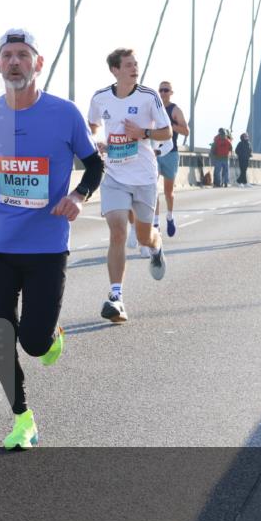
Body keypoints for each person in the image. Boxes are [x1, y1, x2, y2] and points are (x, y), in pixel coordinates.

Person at [0, 28, 104, 450]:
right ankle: (22, 419)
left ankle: (50, 336)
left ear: (38, 63)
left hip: (47, 250)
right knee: (0, 339)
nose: (15, 62)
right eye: (7, 55)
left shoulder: (64, 114)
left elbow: (94, 165)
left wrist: (78, 196)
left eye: (23, 55)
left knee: (33, 342)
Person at [88, 48, 172, 323]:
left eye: (136, 65)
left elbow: (167, 132)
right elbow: (92, 126)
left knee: (145, 238)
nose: (135, 69)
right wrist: (97, 141)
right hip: (114, 176)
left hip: (144, 177)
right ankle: (116, 297)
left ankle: (157, 247)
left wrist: (143, 133)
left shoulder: (149, 97)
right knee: (117, 231)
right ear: (115, 70)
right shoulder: (101, 98)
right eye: (128, 65)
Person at [152, 80, 190, 237]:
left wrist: (170, 126)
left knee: (168, 192)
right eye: (161, 90)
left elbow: (186, 131)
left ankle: (169, 216)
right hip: (154, 153)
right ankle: (155, 223)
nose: (163, 93)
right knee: (153, 189)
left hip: (171, 154)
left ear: (171, 93)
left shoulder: (175, 110)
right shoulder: (153, 109)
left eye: (166, 90)